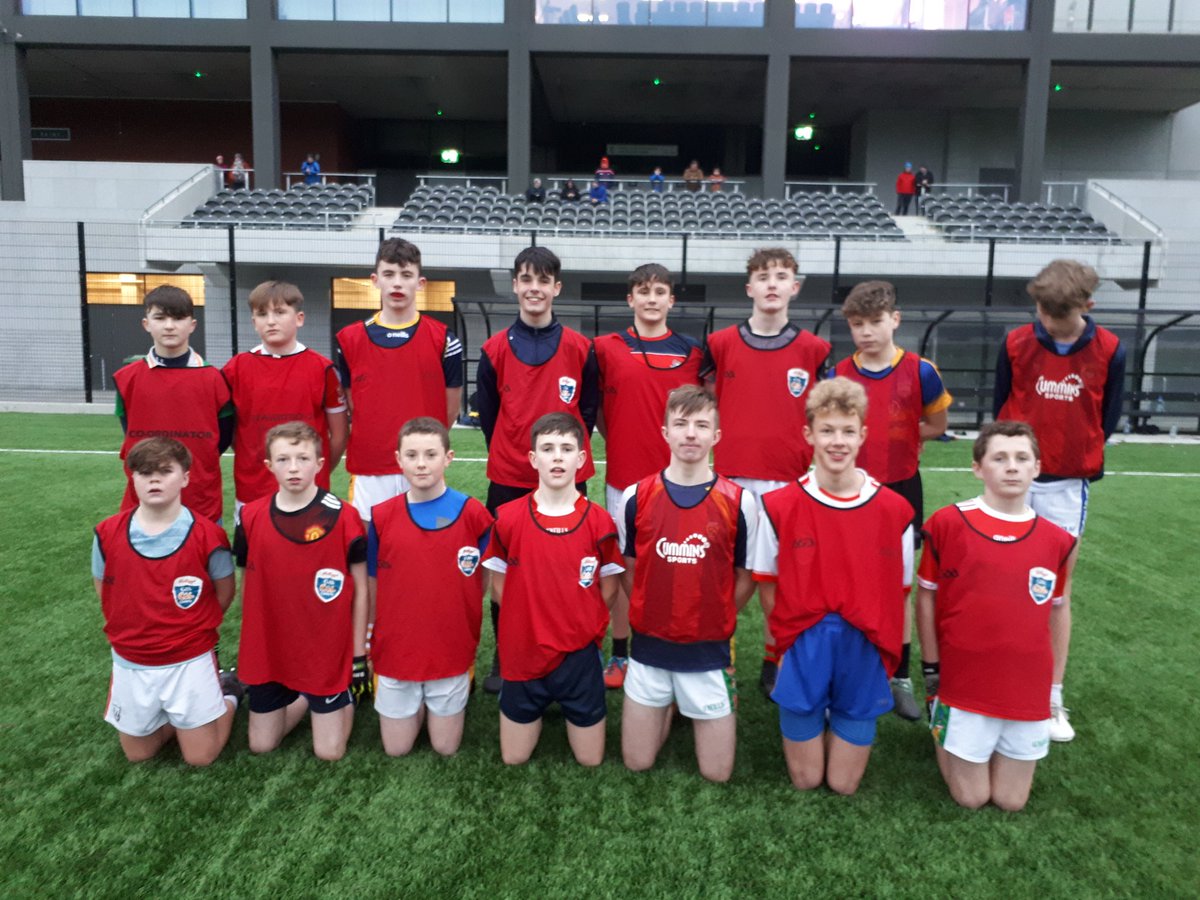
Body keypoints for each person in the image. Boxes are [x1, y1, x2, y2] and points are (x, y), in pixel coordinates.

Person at [753, 378, 914, 794]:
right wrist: (782, 648)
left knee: (843, 784)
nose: (837, 441)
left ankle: (838, 711)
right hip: (803, 644)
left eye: (847, 430)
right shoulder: (778, 506)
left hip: (864, 646)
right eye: (827, 430)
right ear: (809, 435)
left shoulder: (895, 511)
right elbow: (768, 590)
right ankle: (814, 709)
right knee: (806, 780)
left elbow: (900, 593)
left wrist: (886, 654)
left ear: (863, 434)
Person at [992, 259, 1126, 743]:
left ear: (1087, 305)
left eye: (1060, 314)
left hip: (1068, 487)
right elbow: (1000, 408)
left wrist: (1072, 453)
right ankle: (995, 683)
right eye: (1043, 311)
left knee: (1054, 595)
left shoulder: (1110, 349)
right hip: (1012, 480)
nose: (1049, 322)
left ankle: (1050, 696)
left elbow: (1105, 418)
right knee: (999, 582)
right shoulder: (1014, 343)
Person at [918, 421, 1077, 811]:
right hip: (965, 680)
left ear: (1036, 468)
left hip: (1026, 684)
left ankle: (982, 739)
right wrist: (931, 668)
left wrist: (1054, 686)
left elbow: (1060, 611)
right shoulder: (947, 524)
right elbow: (926, 599)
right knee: (971, 798)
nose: (1012, 467)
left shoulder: (1059, 540)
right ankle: (942, 719)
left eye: (1022, 458)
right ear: (978, 468)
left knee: (1010, 801)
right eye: (999, 458)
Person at [700, 247, 831, 696]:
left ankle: (777, 657)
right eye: (763, 276)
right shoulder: (720, 344)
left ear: (794, 287)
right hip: (732, 480)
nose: (772, 283)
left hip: (789, 483)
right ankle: (718, 652)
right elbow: (701, 401)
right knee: (725, 577)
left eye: (781, 276)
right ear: (749, 288)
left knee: (784, 581)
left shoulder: (815, 349)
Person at [617, 386, 759, 782]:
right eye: (681, 424)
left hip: (708, 654)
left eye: (701, 425)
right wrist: (649, 609)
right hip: (649, 648)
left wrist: (716, 613)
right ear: (665, 432)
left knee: (717, 774)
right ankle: (664, 704)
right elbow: (630, 566)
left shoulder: (739, 500)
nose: (691, 434)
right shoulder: (636, 496)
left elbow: (745, 575)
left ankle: (681, 703)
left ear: (716, 436)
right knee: (636, 762)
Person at [476, 246, 600, 693]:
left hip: (569, 481)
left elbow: (586, 412)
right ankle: (506, 655)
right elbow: (489, 417)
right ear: (515, 285)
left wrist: (563, 464)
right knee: (505, 569)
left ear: (556, 288)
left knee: (571, 567)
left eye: (543, 280)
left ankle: (571, 649)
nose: (534, 288)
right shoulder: (492, 350)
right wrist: (514, 454)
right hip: (510, 478)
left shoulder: (579, 348)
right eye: (526, 279)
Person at [832, 280, 951, 721]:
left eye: (876, 322)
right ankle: (849, 666)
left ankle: (898, 676)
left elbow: (936, 424)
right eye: (857, 324)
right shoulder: (840, 372)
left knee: (898, 585)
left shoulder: (921, 371)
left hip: (901, 489)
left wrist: (891, 438)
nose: (866, 331)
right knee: (844, 579)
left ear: (895, 320)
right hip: (848, 490)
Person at [482, 413, 624, 766]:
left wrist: (578, 620)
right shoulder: (509, 517)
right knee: (513, 758)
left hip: (578, 655)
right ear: (533, 459)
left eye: (566, 448)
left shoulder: (599, 521)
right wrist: (527, 618)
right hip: (523, 654)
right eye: (547, 448)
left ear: (581, 459)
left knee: (591, 760)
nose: (557, 457)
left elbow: (609, 588)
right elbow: (497, 585)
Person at [93, 437, 240, 767]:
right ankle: (179, 717)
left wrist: (194, 628)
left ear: (185, 477)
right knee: (138, 755)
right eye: (145, 472)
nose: (154, 479)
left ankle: (229, 693)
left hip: (188, 657)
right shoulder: (107, 533)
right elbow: (105, 591)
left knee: (200, 758)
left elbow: (224, 591)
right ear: (133, 478)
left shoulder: (207, 535)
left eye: (165, 471)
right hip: (132, 658)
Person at [593, 263, 703, 689]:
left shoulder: (693, 351)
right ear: (630, 299)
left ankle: (672, 647)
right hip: (624, 479)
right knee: (623, 568)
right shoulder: (606, 347)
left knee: (678, 566)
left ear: (671, 300)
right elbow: (600, 409)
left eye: (660, 291)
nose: (652, 298)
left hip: (679, 484)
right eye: (643, 291)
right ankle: (620, 654)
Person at [234, 421, 368, 761]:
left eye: (303, 458)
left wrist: (357, 653)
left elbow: (361, 589)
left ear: (320, 464)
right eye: (283, 459)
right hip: (271, 648)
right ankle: (304, 697)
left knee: (330, 753)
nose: (293, 468)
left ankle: (338, 695)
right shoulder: (250, 517)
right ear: (268, 466)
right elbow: (249, 585)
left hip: (325, 648)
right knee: (262, 745)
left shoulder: (346, 517)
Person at [369, 418, 494, 757]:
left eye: (430, 454)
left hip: (448, 648)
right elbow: (373, 584)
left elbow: (483, 579)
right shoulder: (381, 517)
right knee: (396, 749)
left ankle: (435, 698)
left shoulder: (473, 514)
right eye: (411, 455)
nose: (421, 463)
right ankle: (414, 701)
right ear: (398, 459)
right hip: (398, 650)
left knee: (445, 747)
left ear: (448, 457)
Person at [334, 238, 464, 522]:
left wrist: (424, 450)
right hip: (370, 466)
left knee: (422, 551)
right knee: (368, 552)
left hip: (422, 465)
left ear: (420, 283)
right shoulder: (349, 339)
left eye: (406, 275)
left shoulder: (444, 340)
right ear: (375, 280)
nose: (397, 283)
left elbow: (449, 410)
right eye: (389, 274)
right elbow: (354, 404)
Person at [222, 281, 347, 518]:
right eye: (262, 314)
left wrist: (316, 471)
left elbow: (339, 435)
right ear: (253, 322)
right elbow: (232, 431)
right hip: (253, 490)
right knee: (254, 554)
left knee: (310, 552)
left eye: (279, 312)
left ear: (299, 318)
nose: (271, 321)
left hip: (310, 490)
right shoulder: (235, 369)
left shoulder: (322, 369)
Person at [112, 285, 232, 525]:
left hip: (200, 498)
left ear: (192, 325)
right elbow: (130, 432)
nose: (169, 325)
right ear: (146, 324)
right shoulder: (127, 378)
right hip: (143, 502)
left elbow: (222, 437)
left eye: (177, 318)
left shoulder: (214, 378)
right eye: (160, 317)